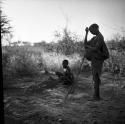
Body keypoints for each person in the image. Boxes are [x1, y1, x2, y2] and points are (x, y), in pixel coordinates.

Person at [84, 23, 109, 100]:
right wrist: (86, 33)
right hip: (94, 59)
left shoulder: (100, 37)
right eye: (90, 31)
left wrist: (88, 47)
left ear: (96, 28)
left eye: (91, 31)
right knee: (95, 77)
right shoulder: (94, 38)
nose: (91, 32)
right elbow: (85, 44)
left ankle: (96, 96)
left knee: (96, 77)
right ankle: (96, 96)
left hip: (98, 59)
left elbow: (96, 49)